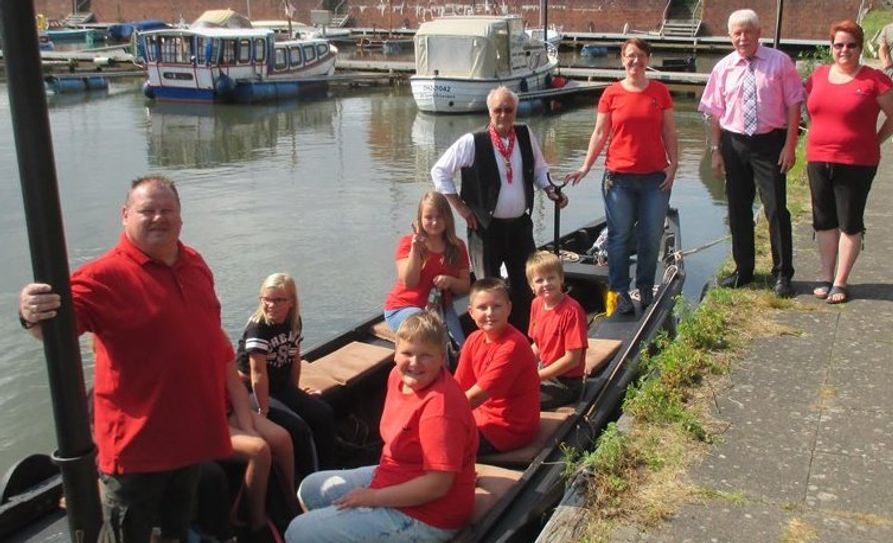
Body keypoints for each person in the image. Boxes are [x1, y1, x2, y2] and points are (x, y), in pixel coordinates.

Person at [18, 176, 233, 542]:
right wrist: (30, 311)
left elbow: (211, 336)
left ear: (180, 218)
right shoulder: (103, 276)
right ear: (125, 215)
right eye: (146, 210)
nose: (158, 218)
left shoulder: (194, 262)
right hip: (137, 452)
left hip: (189, 439)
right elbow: (50, 327)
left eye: (167, 210)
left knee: (176, 531)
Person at [284, 313, 478, 542]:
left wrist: (373, 497)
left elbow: (437, 485)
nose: (414, 363)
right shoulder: (397, 376)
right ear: (395, 353)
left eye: (425, 355)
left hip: (430, 514)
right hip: (396, 474)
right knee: (311, 488)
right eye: (407, 353)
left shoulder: (440, 408)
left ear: (441, 356)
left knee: (298, 531)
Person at [431, 86, 568, 332]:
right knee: (488, 290)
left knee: (526, 286)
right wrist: (461, 208)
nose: (504, 115)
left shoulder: (525, 135)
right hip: (485, 229)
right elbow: (439, 172)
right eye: (498, 110)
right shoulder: (473, 141)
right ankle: (491, 340)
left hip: (519, 227)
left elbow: (539, 171)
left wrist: (550, 190)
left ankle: (525, 339)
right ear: (489, 112)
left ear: (515, 111)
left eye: (509, 110)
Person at [565, 37, 678, 314]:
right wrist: (585, 166)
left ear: (648, 59)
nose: (635, 61)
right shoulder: (611, 94)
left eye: (640, 56)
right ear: (622, 59)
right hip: (619, 179)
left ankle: (646, 287)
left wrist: (673, 165)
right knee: (619, 237)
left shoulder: (660, 92)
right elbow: (600, 133)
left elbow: (669, 132)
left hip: (655, 178)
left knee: (651, 236)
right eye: (630, 56)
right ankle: (621, 292)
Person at [699, 9, 804, 298]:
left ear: (758, 33)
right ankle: (744, 270)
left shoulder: (779, 62)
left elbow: (795, 104)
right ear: (730, 36)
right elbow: (715, 115)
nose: (742, 37)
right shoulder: (723, 68)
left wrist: (790, 145)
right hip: (734, 145)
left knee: (775, 210)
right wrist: (716, 151)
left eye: (748, 31)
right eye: (737, 33)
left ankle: (783, 273)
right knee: (737, 210)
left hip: (770, 143)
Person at [805, 20, 893, 304]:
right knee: (823, 220)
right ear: (831, 48)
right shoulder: (817, 76)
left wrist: (875, 141)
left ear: (859, 47)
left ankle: (841, 282)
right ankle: (825, 275)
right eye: (839, 45)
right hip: (818, 158)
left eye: (851, 45)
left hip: (857, 162)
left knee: (850, 222)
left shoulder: (875, 80)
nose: (845, 50)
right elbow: (807, 109)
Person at [237, 273, 337, 479]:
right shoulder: (258, 328)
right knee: (297, 429)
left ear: (291, 301)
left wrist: (296, 391)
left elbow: (294, 359)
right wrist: (263, 410)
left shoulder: (293, 321)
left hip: (280, 386)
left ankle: (329, 472)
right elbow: (257, 374)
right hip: (254, 391)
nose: (271, 305)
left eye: (278, 300)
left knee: (324, 413)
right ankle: (306, 481)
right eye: (266, 299)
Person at [454, 278, 540, 455]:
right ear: (470, 312)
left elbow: (475, 397)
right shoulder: (473, 340)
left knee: (438, 444)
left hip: (508, 429)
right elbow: (458, 387)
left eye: (497, 306)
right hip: (481, 416)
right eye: (482, 307)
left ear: (508, 308)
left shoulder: (513, 345)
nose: (490, 313)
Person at [383, 191, 471, 345]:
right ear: (420, 219)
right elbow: (409, 282)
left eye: (439, 217)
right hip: (404, 307)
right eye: (429, 217)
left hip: (439, 307)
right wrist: (415, 249)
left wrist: (450, 281)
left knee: (461, 346)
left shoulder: (457, 246)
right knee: (432, 334)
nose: (435, 222)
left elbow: (464, 287)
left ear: (448, 218)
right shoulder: (406, 243)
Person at [225, 359, 298, 541]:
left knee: (282, 439)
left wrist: (248, 427)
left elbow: (236, 388)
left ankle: (289, 503)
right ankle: (257, 524)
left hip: (229, 411)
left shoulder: (218, 339)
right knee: (259, 450)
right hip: (206, 421)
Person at [525, 251, 589, 409]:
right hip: (545, 371)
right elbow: (538, 345)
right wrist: (520, 365)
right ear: (532, 286)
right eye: (539, 280)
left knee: (522, 402)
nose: (546, 284)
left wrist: (536, 377)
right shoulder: (536, 304)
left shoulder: (571, 311)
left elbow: (572, 359)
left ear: (561, 279)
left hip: (566, 383)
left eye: (551, 278)